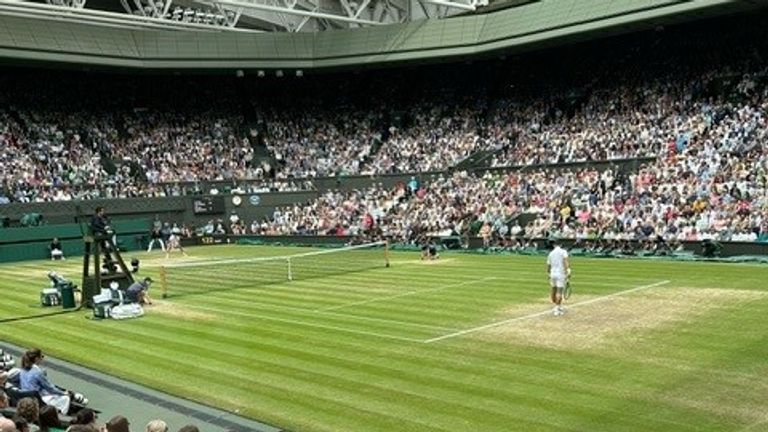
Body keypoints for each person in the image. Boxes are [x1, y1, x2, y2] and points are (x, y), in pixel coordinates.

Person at [19, 349, 71, 414]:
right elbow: (50, 389)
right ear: (36, 359)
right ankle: (61, 416)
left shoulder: (22, 370)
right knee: (66, 398)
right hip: (37, 400)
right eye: (42, 356)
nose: (42, 359)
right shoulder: (37, 372)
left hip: (24, 397)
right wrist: (64, 393)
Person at [546, 239, 570, 316]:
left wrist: (548, 274)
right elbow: (566, 261)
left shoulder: (550, 253)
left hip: (552, 274)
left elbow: (548, 266)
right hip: (560, 274)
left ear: (554, 245)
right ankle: (557, 308)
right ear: (561, 245)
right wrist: (568, 270)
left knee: (553, 289)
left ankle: (557, 306)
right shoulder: (563, 252)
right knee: (559, 291)